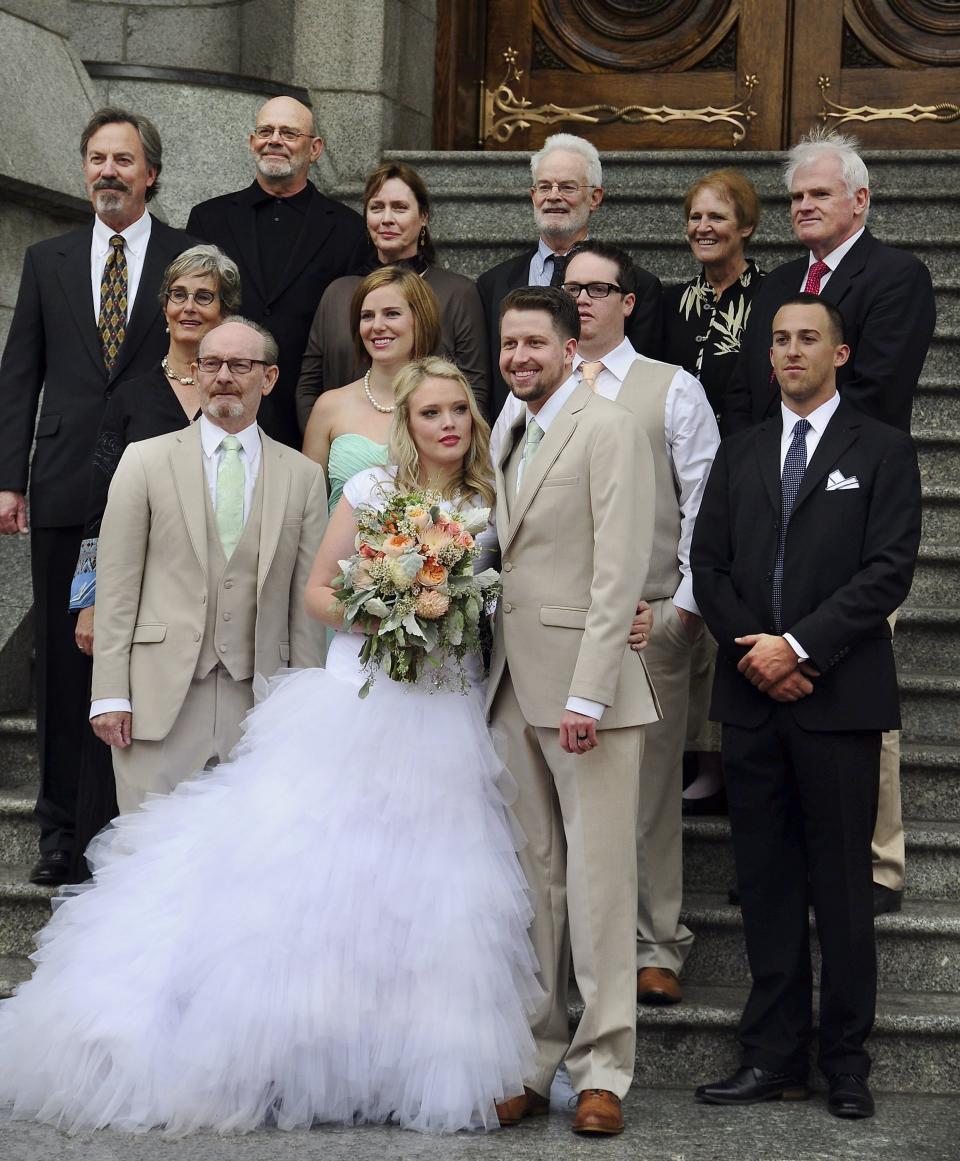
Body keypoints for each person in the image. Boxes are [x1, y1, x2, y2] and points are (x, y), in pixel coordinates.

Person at [0, 357, 541, 1137]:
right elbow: (320, 589)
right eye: (430, 412)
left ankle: (409, 1059)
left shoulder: (493, 502)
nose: (447, 424)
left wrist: (449, 614)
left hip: (448, 712)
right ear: (407, 424)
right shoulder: (369, 492)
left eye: (459, 409)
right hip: (364, 698)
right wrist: (389, 609)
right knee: (323, 879)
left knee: (430, 891)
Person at [691, 295, 922, 1120]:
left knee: (842, 890)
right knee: (767, 882)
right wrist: (759, 650)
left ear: (842, 352)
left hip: (839, 698)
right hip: (754, 698)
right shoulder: (741, 449)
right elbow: (708, 563)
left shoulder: (885, 451)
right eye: (780, 339)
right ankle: (773, 1054)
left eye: (807, 339)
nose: (791, 351)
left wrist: (802, 647)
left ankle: (846, 1059)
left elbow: (887, 570)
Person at [490, 243, 719, 1006]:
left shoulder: (669, 388)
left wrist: (683, 609)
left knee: (650, 789)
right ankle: (559, 989)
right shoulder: (520, 406)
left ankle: (658, 940)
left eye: (598, 288)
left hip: (645, 616)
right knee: (557, 837)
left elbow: (702, 503)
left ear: (627, 301)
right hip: (540, 641)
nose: (582, 298)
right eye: (571, 286)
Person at [723, 129, 937, 916]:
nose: (805, 206)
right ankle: (778, 857)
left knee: (855, 686)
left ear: (861, 200)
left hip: (855, 504)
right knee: (769, 676)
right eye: (796, 196)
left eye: (820, 193)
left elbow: (877, 393)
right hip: (768, 503)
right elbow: (752, 393)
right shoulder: (776, 281)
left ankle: (872, 862)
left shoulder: (896, 277)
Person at [0, 107, 191, 886]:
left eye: (123, 159)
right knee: (63, 659)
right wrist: (10, 477)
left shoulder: (186, 257)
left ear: (150, 171)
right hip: (65, 487)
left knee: (141, 650)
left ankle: (124, 817)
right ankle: (59, 830)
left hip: (159, 488)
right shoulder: (48, 261)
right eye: (96, 158)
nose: (107, 171)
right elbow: (21, 373)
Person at [488, 287, 661, 1136]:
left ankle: (603, 1070)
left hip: (586, 692)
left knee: (597, 884)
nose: (519, 357)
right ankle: (533, 1055)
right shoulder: (507, 427)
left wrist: (589, 689)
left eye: (534, 344)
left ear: (569, 347)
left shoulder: (609, 427)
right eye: (508, 344)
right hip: (510, 684)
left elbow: (619, 565)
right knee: (535, 884)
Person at [89, 318, 328, 812]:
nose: (224, 376)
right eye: (211, 364)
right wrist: (109, 692)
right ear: (195, 373)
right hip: (160, 699)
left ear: (269, 378)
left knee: (250, 865)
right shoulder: (144, 461)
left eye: (240, 364)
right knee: (147, 861)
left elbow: (305, 605)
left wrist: (306, 709)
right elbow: (116, 586)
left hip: (259, 703)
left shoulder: (303, 477)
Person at [65, 244, 241, 877]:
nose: (189, 308)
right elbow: (98, 513)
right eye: (179, 296)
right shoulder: (134, 394)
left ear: (225, 310)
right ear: (163, 307)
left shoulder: (242, 390)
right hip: (145, 602)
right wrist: (87, 602)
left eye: (204, 297)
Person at [661, 169, 764, 814]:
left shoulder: (770, 299)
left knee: (731, 608)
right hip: (682, 477)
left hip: (746, 475)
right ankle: (697, 754)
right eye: (695, 217)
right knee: (688, 610)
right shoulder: (673, 304)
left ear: (746, 228)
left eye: (717, 217)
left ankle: (730, 758)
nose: (703, 228)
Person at [186, 96, 366, 448]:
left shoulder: (349, 228)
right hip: (223, 397)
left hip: (308, 405)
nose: (274, 140)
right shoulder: (208, 219)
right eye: (265, 131)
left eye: (289, 132)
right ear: (252, 142)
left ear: (314, 149)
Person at [477, 133, 663, 418]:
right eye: (544, 187)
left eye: (567, 187)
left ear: (595, 197)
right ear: (533, 196)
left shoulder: (638, 286)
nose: (554, 196)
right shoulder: (492, 285)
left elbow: (642, 385)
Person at [295, 161, 489, 422]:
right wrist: (329, 442)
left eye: (399, 208)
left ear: (423, 217)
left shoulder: (458, 293)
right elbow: (309, 386)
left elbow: (474, 390)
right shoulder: (338, 293)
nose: (387, 219)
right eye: (376, 208)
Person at [301, 265, 442, 511]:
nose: (376, 326)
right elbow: (305, 509)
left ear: (420, 319)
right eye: (367, 316)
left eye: (391, 314)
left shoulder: (447, 403)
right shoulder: (330, 406)